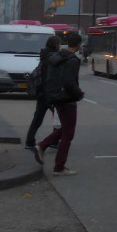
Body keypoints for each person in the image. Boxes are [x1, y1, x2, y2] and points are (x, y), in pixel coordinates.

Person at [34, 32, 86, 175]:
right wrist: (79, 94)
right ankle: (58, 166)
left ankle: (42, 146)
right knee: (68, 134)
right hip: (68, 99)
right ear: (78, 45)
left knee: (65, 129)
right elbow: (69, 82)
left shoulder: (56, 57)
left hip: (55, 97)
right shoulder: (73, 60)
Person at [24, 35, 62, 151]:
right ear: (56, 45)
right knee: (58, 118)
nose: (60, 46)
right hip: (51, 93)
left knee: (37, 118)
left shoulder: (44, 56)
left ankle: (29, 141)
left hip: (41, 93)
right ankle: (54, 141)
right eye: (59, 43)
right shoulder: (54, 58)